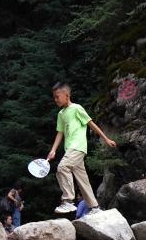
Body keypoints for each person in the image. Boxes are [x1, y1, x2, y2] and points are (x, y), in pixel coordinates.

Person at [46, 83, 117, 215]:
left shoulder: (77, 108)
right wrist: (53, 150)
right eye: (54, 97)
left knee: (62, 167)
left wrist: (106, 139)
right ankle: (94, 207)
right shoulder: (61, 114)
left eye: (57, 97)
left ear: (67, 95)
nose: (55, 99)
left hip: (77, 147)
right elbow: (60, 133)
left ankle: (68, 201)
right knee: (82, 179)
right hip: (70, 149)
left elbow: (91, 124)